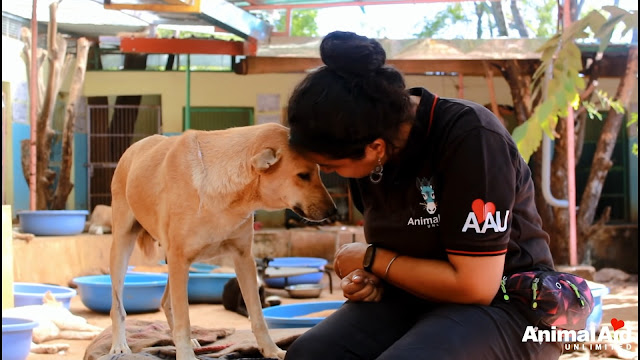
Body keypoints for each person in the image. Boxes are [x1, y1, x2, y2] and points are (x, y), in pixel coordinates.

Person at [283, 31, 562, 360]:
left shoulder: (471, 136)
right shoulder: (370, 153)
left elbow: (476, 286)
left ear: (375, 148)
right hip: (413, 300)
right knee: (310, 355)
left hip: (509, 304)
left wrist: (373, 259)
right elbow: (398, 253)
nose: (327, 173)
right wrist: (371, 279)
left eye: (330, 165)